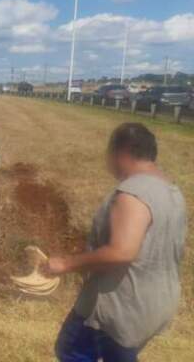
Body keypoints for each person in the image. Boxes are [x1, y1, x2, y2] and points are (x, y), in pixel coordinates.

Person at [45, 123, 187, 362]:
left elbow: (121, 252)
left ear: (120, 152)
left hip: (120, 306)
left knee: (70, 351)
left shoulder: (132, 193)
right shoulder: (172, 192)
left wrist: (66, 264)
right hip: (158, 302)